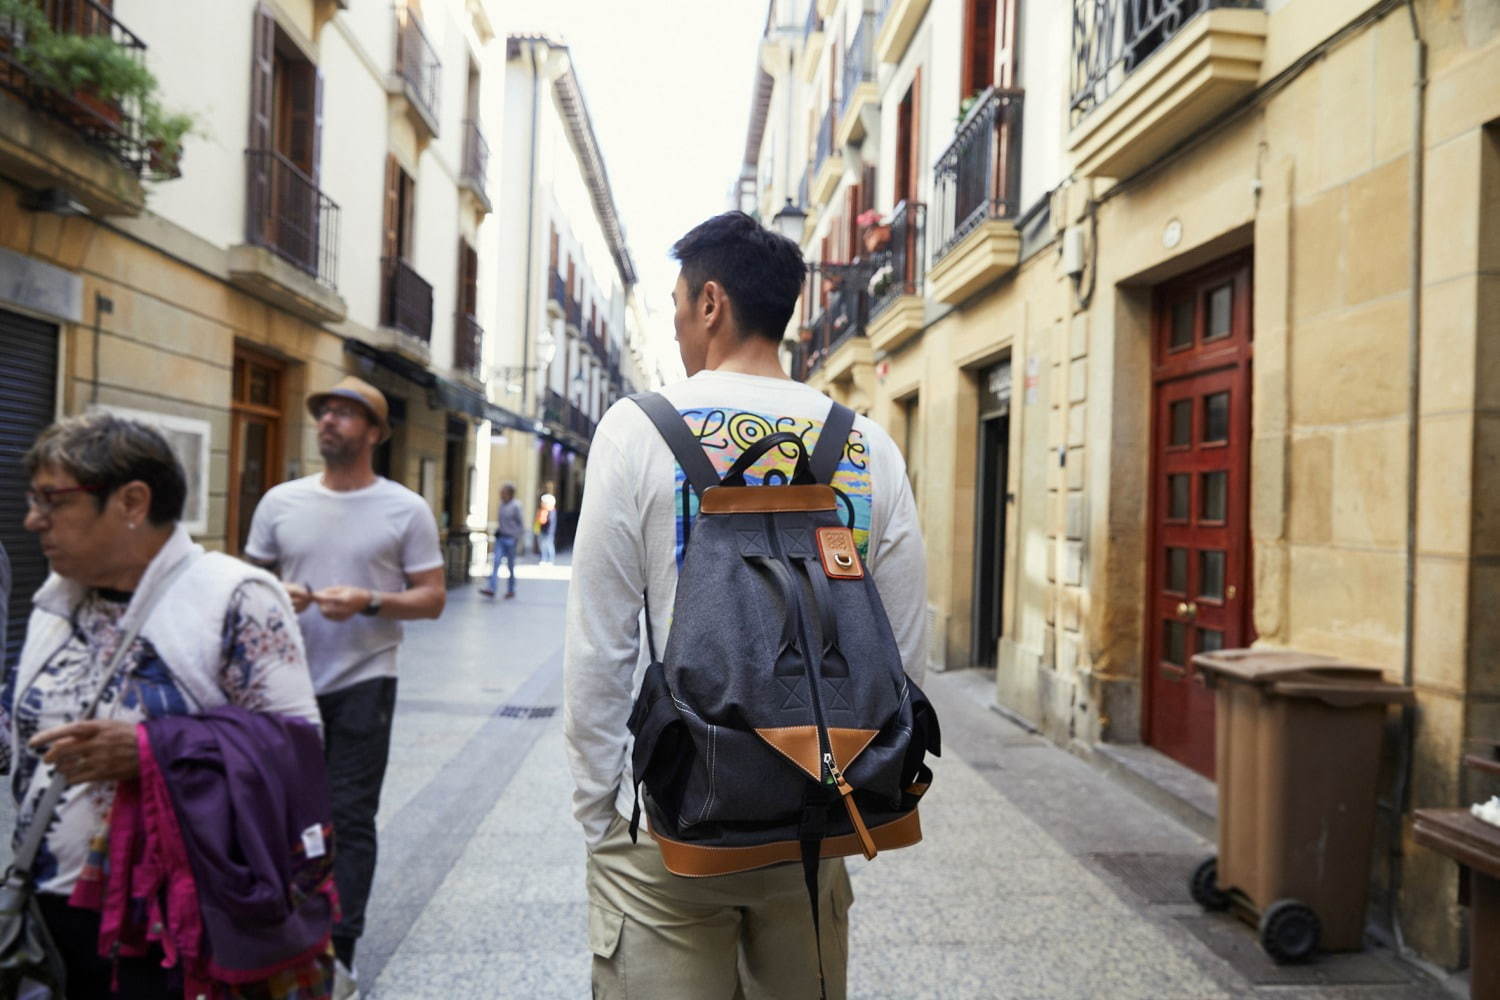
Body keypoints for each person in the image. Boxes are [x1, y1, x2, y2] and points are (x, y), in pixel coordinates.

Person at [563, 211, 927, 999]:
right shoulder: (867, 445)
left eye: (675, 304)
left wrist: (601, 812)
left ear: (711, 303)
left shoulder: (636, 431)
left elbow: (600, 645)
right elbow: (900, 650)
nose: (675, 324)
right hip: (816, 815)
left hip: (672, 822)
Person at [4, 412, 327, 996]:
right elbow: (22, 729)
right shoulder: (56, 601)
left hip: (171, 928)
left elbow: (298, 752)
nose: (33, 521)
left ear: (131, 502)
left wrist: (151, 751)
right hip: (51, 909)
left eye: (53, 501)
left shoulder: (235, 597)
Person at [244, 375, 446, 998]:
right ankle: (281, 937)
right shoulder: (280, 502)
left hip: (364, 682)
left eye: (346, 413)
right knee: (277, 817)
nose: (329, 420)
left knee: (349, 820)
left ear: (375, 433)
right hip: (283, 687)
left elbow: (432, 598)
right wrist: (279, 595)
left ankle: (340, 953)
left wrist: (369, 602)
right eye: (325, 411)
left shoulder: (405, 508)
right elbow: (249, 588)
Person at [481, 483, 524, 598]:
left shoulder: (516, 506)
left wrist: (517, 538)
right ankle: (492, 588)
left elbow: (520, 524)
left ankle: (511, 589)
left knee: (510, 565)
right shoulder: (501, 505)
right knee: (496, 562)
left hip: (511, 539)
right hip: (501, 538)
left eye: (503, 493)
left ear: (509, 494)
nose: (501, 495)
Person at [534, 492, 557, 566]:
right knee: (543, 546)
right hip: (542, 531)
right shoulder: (542, 511)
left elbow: (548, 522)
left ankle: (550, 560)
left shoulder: (551, 511)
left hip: (548, 532)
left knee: (549, 546)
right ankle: (543, 559)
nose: (542, 503)